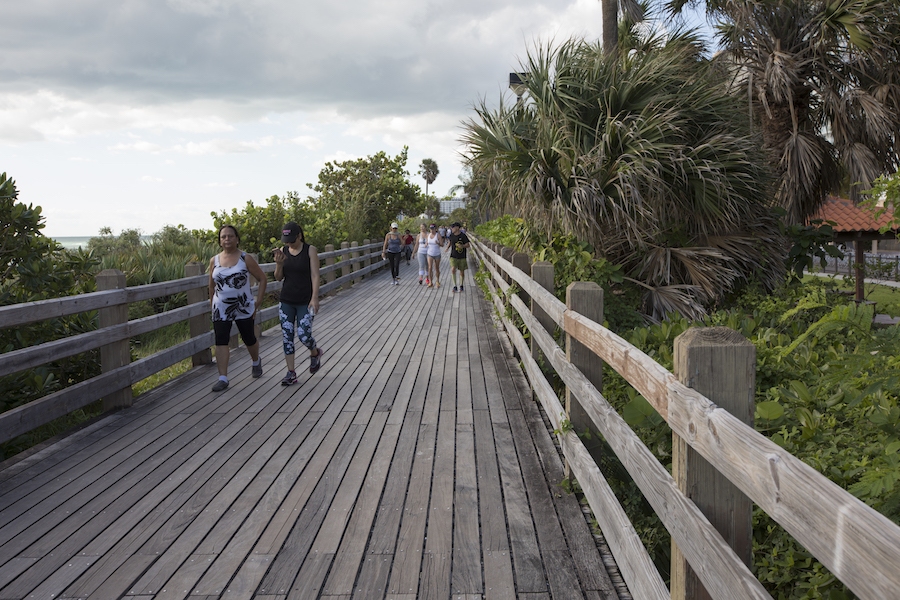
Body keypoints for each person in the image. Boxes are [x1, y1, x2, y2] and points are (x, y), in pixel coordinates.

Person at [208, 225, 267, 392]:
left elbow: (262, 279)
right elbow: (211, 286)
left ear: (237, 238)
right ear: (220, 241)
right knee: (221, 340)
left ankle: (256, 361)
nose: (227, 239)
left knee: (248, 338)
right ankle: (223, 378)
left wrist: (258, 302)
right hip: (221, 307)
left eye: (230, 236)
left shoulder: (245, 258)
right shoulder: (215, 261)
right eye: (223, 237)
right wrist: (212, 304)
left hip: (243, 306)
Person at [274, 222, 323, 385]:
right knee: (287, 337)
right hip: (287, 300)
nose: (289, 243)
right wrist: (279, 264)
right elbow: (278, 277)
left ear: (299, 236)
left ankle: (314, 352)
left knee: (304, 335)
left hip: (305, 300)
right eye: (286, 240)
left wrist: (315, 297)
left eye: (292, 240)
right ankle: (291, 372)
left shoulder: (310, 250)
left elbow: (315, 275)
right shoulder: (283, 251)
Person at [447, 221, 471, 292]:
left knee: (462, 271)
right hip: (453, 255)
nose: (452, 228)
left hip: (462, 256)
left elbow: (468, 245)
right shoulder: (451, 235)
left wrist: (462, 246)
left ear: (457, 228)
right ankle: (454, 286)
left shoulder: (463, 236)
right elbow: (450, 242)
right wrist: (447, 248)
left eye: (453, 227)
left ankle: (461, 285)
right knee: (453, 269)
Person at [425, 223, 444, 288]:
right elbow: (427, 242)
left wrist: (438, 243)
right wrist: (426, 244)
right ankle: (431, 282)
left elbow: (442, 244)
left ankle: (437, 281)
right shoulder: (428, 235)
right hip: (430, 253)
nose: (432, 230)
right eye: (431, 229)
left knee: (437, 268)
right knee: (430, 267)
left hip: (437, 254)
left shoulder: (438, 235)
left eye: (433, 229)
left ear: (435, 229)